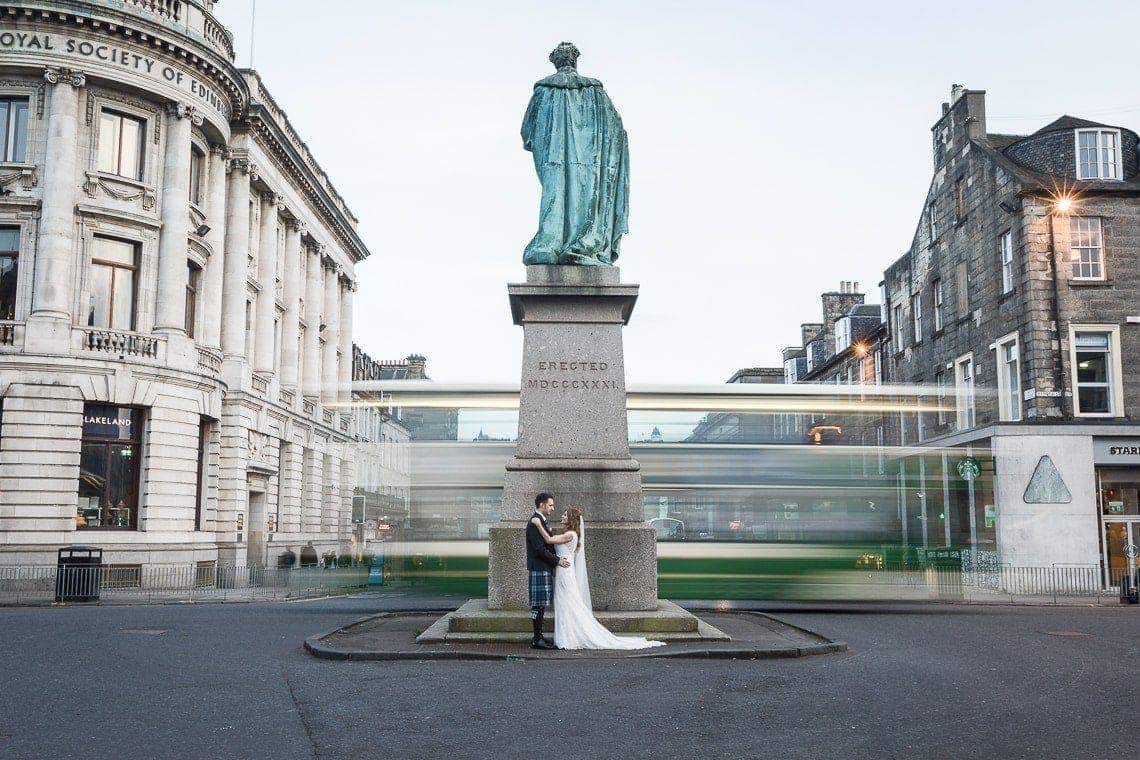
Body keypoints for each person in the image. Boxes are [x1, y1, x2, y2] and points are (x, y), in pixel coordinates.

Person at [531, 506, 664, 651]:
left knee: (567, 604)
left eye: (564, 515)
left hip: (565, 573)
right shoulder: (571, 534)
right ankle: (566, 636)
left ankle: (568, 638)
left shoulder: (570, 534)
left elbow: (549, 540)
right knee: (564, 604)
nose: (561, 517)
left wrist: (538, 525)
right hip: (563, 571)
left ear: (571, 519)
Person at [526, 493, 570, 650]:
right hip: (539, 568)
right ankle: (537, 638)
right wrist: (557, 560)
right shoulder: (533, 523)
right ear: (542, 505)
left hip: (542, 568)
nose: (553, 508)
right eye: (550, 505)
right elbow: (539, 549)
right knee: (537, 605)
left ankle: (538, 637)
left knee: (540, 605)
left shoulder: (540, 522)